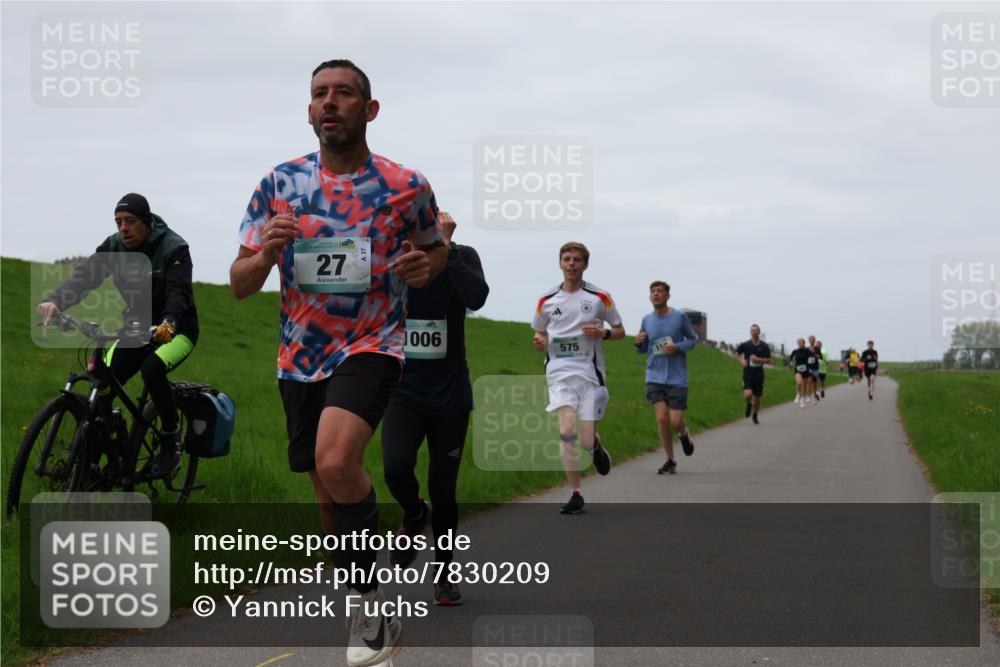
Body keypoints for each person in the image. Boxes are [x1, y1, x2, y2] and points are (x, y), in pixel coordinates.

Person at [229, 59, 446, 667]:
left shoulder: (406, 184)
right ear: (308, 111)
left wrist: (424, 266)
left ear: (368, 110)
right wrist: (266, 251)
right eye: (319, 94)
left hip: (373, 344)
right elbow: (240, 283)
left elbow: (435, 248)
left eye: (344, 93)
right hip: (300, 357)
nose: (330, 102)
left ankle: (371, 612)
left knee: (336, 457)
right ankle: (362, 596)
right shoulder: (279, 182)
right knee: (327, 496)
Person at [37, 193, 199, 476]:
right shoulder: (114, 247)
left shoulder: (174, 248)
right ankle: (98, 457)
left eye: (130, 221)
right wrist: (56, 301)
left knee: (152, 370)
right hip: (135, 329)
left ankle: (171, 436)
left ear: (146, 222)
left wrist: (169, 322)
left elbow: (179, 292)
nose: (123, 227)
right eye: (118, 221)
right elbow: (85, 276)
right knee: (103, 381)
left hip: (176, 330)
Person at [381, 212, 488, 606]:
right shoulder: (395, 257)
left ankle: (444, 574)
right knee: (395, 466)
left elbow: (476, 297)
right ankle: (413, 512)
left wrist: (446, 248)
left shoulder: (463, 255)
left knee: (444, 489)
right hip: (402, 389)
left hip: (450, 395)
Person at [532, 242, 622, 514]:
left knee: (584, 440)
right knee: (567, 431)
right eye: (567, 259)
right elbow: (540, 332)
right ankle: (575, 493)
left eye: (577, 260)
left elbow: (619, 330)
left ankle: (595, 447)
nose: (571, 263)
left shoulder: (600, 297)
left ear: (585, 265)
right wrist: (540, 340)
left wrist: (603, 334)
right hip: (558, 374)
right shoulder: (546, 300)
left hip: (589, 375)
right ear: (560, 263)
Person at [634, 281, 698, 474]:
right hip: (654, 375)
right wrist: (638, 344)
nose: (656, 294)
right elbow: (644, 349)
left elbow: (693, 340)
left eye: (660, 291)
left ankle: (684, 433)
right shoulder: (646, 320)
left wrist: (677, 347)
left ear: (668, 296)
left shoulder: (679, 317)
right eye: (652, 291)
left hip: (677, 378)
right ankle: (670, 459)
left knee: (675, 421)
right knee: (662, 417)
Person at [735, 324, 771, 424]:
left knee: (757, 397)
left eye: (756, 330)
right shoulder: (746, 345)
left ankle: (755, 414)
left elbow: (768, 360)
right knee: (748, 395)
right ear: (750, 332)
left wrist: (758, 359)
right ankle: (749, 404)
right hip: (748, 373)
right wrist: (742, 361)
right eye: (753, 330)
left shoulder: (764, 346)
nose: (754, 332)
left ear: (759, 332)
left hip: (759, 374)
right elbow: (737, 354)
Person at [788, 338, 814, 407]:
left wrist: (811, 366)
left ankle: (802, 400)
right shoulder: (795, 351)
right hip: (798, 370)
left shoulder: (807, 351)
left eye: (801, 343)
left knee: (804, 385)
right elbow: (790, 358)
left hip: (806, 370)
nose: (800, 344)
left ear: (804, 343)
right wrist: (790, 364)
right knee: (799, 382)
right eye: (799, 343)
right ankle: (798, 394)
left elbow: (813, 357)